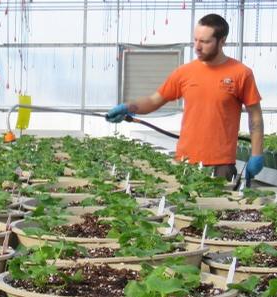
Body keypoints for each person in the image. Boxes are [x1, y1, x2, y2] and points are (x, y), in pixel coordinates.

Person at [106, 13, 264, 183]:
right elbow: (153, 101)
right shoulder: (184, 72)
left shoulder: (241, 74)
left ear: (222, 41)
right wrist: (128, 107)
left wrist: (256, 154)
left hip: (221, 165)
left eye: (205, 42)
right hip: (185, 163)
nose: (197, 47)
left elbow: (255, 115)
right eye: (195, 40)